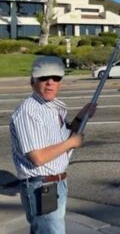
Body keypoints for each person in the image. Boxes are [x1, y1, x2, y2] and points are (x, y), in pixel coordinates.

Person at [9, 56, 96, 234]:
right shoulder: (28, 112)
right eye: (44, 78)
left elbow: (64, 136)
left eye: (56, 78)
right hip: (42, 187)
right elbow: (38, 157)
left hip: (56, 183)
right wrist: (71, 143)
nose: (50, 83)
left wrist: (81, 117)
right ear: (33, 81)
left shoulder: (54, 107)